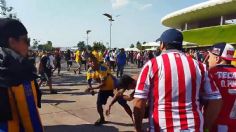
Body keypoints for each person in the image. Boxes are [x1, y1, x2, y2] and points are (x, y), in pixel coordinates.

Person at [133, 29, 222, 132]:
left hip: (161, 127)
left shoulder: (152, 65)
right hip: (193, 126)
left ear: (162, 45)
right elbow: (216, 99)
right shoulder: (199, 66)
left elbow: (139, 100)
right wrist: (205, 127)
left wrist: (138, 128)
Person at [0, 18, 43, 132]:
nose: (28, 46)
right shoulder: (19, 73)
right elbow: (30, 118)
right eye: (26, 41)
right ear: (12, 41)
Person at [85, 55, 129, 125]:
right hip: (103, 89)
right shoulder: (90, 70)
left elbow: (103, 84)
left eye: (93, 61)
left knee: (123, 103)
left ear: (97, 61)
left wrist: (91, 88)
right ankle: (102, 119)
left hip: (113, 87)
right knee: (98, 104)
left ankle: (134, 118)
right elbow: (89, 81)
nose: (92, 63)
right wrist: (91, 89)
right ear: (88, 63)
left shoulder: (103, 67)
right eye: (90, 62)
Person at [207, 42, 236, 132]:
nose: (208, 60)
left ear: (217, 58)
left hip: (214, 125)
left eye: (209, 57)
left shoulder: (210, 74)